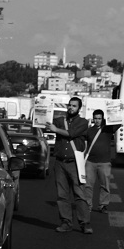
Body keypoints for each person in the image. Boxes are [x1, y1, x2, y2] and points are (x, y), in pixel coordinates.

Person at [45, 97, 92, 234]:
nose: (71, 107)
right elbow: (45, 124)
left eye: (74, 106)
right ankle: (66, 222)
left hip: (74, 163)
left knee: (79, 194)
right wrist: (41, 112)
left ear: (79, 108)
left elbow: (71, 134)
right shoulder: (60, 121)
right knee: (62, 195)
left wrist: (56, 130)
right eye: (70, 105)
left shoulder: (83, 122)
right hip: (59, 162)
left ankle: (85, 223)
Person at [84, 109, 119, 214]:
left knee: (105, 184)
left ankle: (103, 205)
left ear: (103, 118)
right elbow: (85, 145)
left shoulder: (108, 129)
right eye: (95, 118)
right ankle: (87, 205)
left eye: (99, 118)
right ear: (93, 119)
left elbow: (118, 123)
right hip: (90, 162)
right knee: (88, 185)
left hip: (104, 162)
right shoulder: (89, 130)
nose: (97, 120)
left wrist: (116, 111)